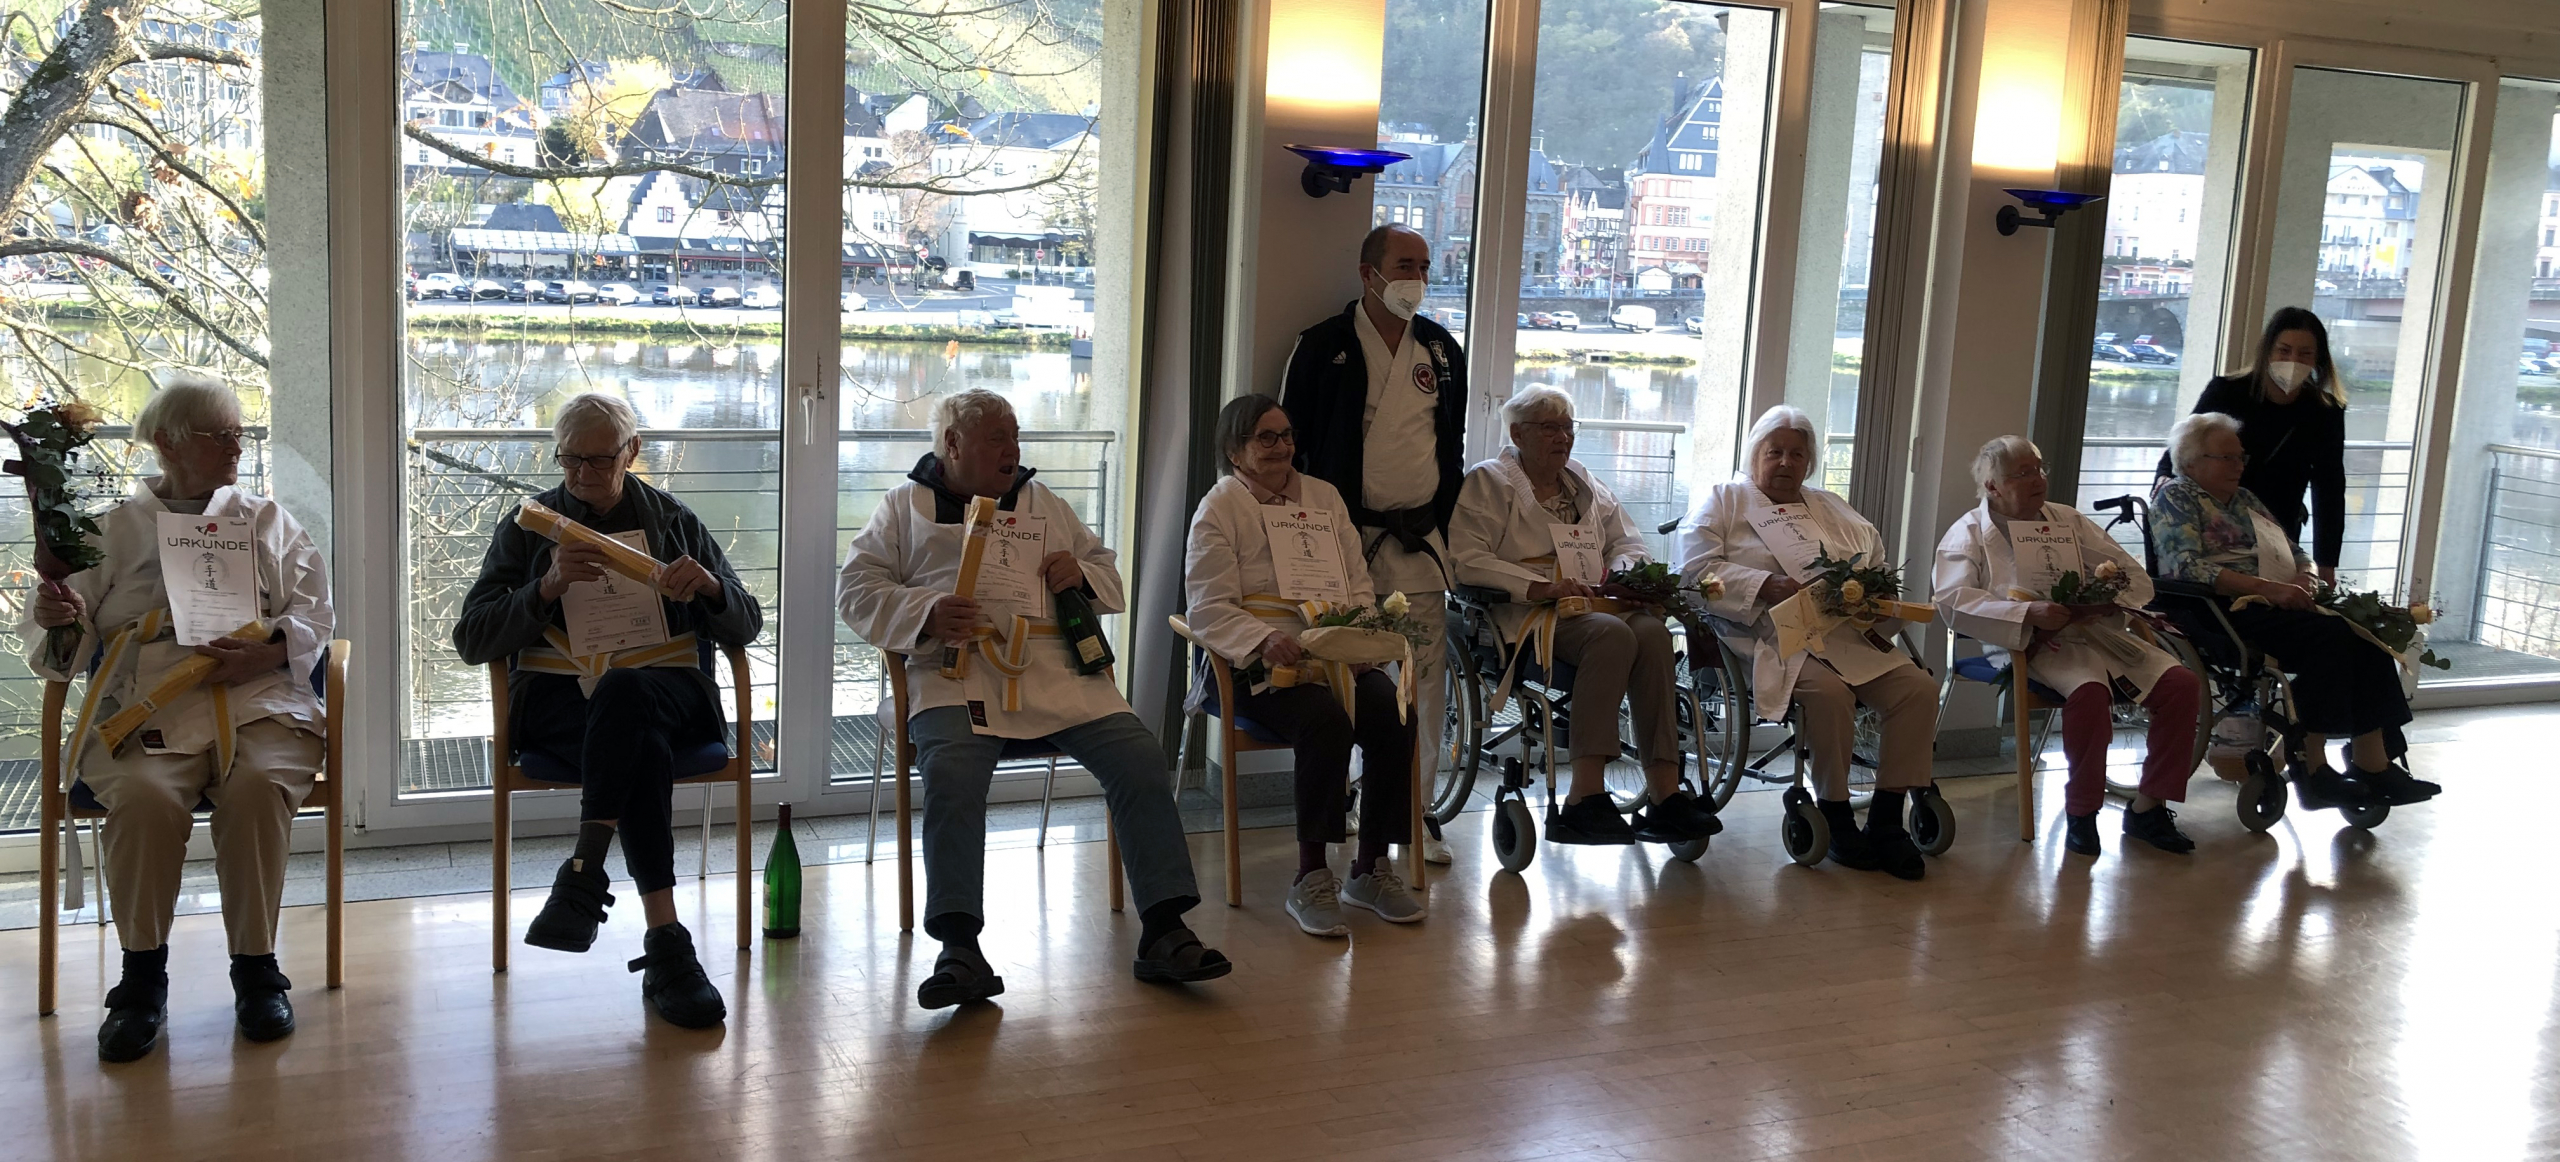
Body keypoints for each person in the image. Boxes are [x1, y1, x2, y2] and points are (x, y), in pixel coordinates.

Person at [841, 389, 1230, 1008]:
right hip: (957, 674)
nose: (1013, 449)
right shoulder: (902, 507)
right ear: (952, 445)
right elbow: (856, 590)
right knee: (953, 773)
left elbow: (1107, 574)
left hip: (1056, 670)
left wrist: (1081, 575)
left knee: (1138, 756)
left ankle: (1164, 927)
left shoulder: (1043, 501)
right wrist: (926, 611)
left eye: (1016, 435)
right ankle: (960, 947)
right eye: (997, 437)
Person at [26, 375, 332, 1062]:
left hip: (257, 697)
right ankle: (141, 979)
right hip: (146, 702)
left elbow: (315, 611)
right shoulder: (112, 528)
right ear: (167, 442)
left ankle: (257, 969)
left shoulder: (267, 520)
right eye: (220, 435)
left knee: (258, 787)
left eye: (239, 433)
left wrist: (268, 653)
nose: (237, 446)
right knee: (143, 796)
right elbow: (64, 651)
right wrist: (58, 618)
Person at [454, 392, 761, 1030]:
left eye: (598, 460)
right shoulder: (530, 527)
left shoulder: (674, 522)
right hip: (562, 700)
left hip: (668, 693)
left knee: (626, 695)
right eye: (569, 460)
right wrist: (545, 587)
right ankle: (667, 945)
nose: (581, 474)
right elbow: (473, 639)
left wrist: (709, 588)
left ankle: (584, 872)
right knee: (634, 731)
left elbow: (747, 622)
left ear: (632, 452)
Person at [1184, 394, 1424, 936]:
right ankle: (1311, 875)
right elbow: (1207, 607)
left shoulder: (1323, 497)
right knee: (1324, 719)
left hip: (1335, 652)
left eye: (1287, 435)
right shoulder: (1218, 508)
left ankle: (1370, 867)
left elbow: (1357, 583)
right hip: (1257, 665)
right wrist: (1263, 638)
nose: (1281, 447)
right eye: (1265, 437)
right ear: (1234, 450)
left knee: (1393, 712)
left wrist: (1359, 643)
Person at [1443, 386, 1720, 846]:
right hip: (1529, 613)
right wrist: (1541, 586)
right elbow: (1466, 558)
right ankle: (1583, 797)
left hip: (1595, 601)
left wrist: (1622, 576)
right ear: (1517, 434)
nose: (1563, 437)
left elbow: (1628, 542)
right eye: (1549, 428)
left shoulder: (1583, 482)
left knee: (1653, 633)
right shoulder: (1489, 481)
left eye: (1569, 428)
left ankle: (1665, 793)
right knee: (1611, 636)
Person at [1673, 405, 1937, 879]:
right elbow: (1694, 573)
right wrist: (1763, 584)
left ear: (1810, 462)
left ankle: (1885, 818)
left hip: (1844, 632)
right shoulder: (1723, 500)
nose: (1785, 462)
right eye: (1774, 452)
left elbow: (1875, 559)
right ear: (1755, 454)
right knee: (1829, 694)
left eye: (1797, 454)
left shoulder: (1832, 506)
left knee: (1917, 689)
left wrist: (1874, 595)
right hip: (1767, 635)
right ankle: (1835, 812)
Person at [1280, 223, 1465, 866]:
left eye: (1424, 265)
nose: (1417, 277)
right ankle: (1346, 801)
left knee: (1423, 680)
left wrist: (1443, 522)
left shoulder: (1439, 347)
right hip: (1344, 537)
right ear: (1369, 273)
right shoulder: (1324, 344)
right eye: (1404, 264)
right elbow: (1292, 445)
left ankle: (1412, 808)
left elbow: (1450, 445)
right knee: (1344, 672)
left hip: (1418, 537)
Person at [1935, 435, 2204, 856]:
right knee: (2090, 693)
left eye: (2039, 469)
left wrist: (2103, 597)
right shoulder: (1968, 532)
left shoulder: (2067, 520)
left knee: (2182, 685)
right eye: (2022, 473)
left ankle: (2149, 807)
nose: (2037, 480)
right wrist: (2028, 613)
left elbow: (2133, 576)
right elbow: (1953, 601)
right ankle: (2082, 811)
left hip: (2095, 632)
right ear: (1992, 486)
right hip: (2028, 642)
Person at [2151, 413, 2438, 807]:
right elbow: (2186, 567)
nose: (2238, 465)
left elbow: (2295, 551)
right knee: (2331, 638)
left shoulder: (2245, 499)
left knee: (2366, 636)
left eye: (2240, 457)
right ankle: (2311, 765)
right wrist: (2267, 588)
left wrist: (2306, 577)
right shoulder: (2176, 496)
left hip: (2277, 600)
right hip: (2220, 609)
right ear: (2190, 462)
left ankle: (2373, 762)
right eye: (2226, 457)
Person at [2153, 306, 2348, 584]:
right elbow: (2181, 452)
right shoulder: (2227, 392)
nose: (2293, 360)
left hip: (2278, 530)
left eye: (2305, 353)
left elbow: (2330, 487)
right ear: (2267, 351)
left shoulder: (2325, 411)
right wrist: (2166, 499)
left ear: (2318, 359)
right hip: (2215, 526)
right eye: (2284, 350)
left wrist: (2326, 562)